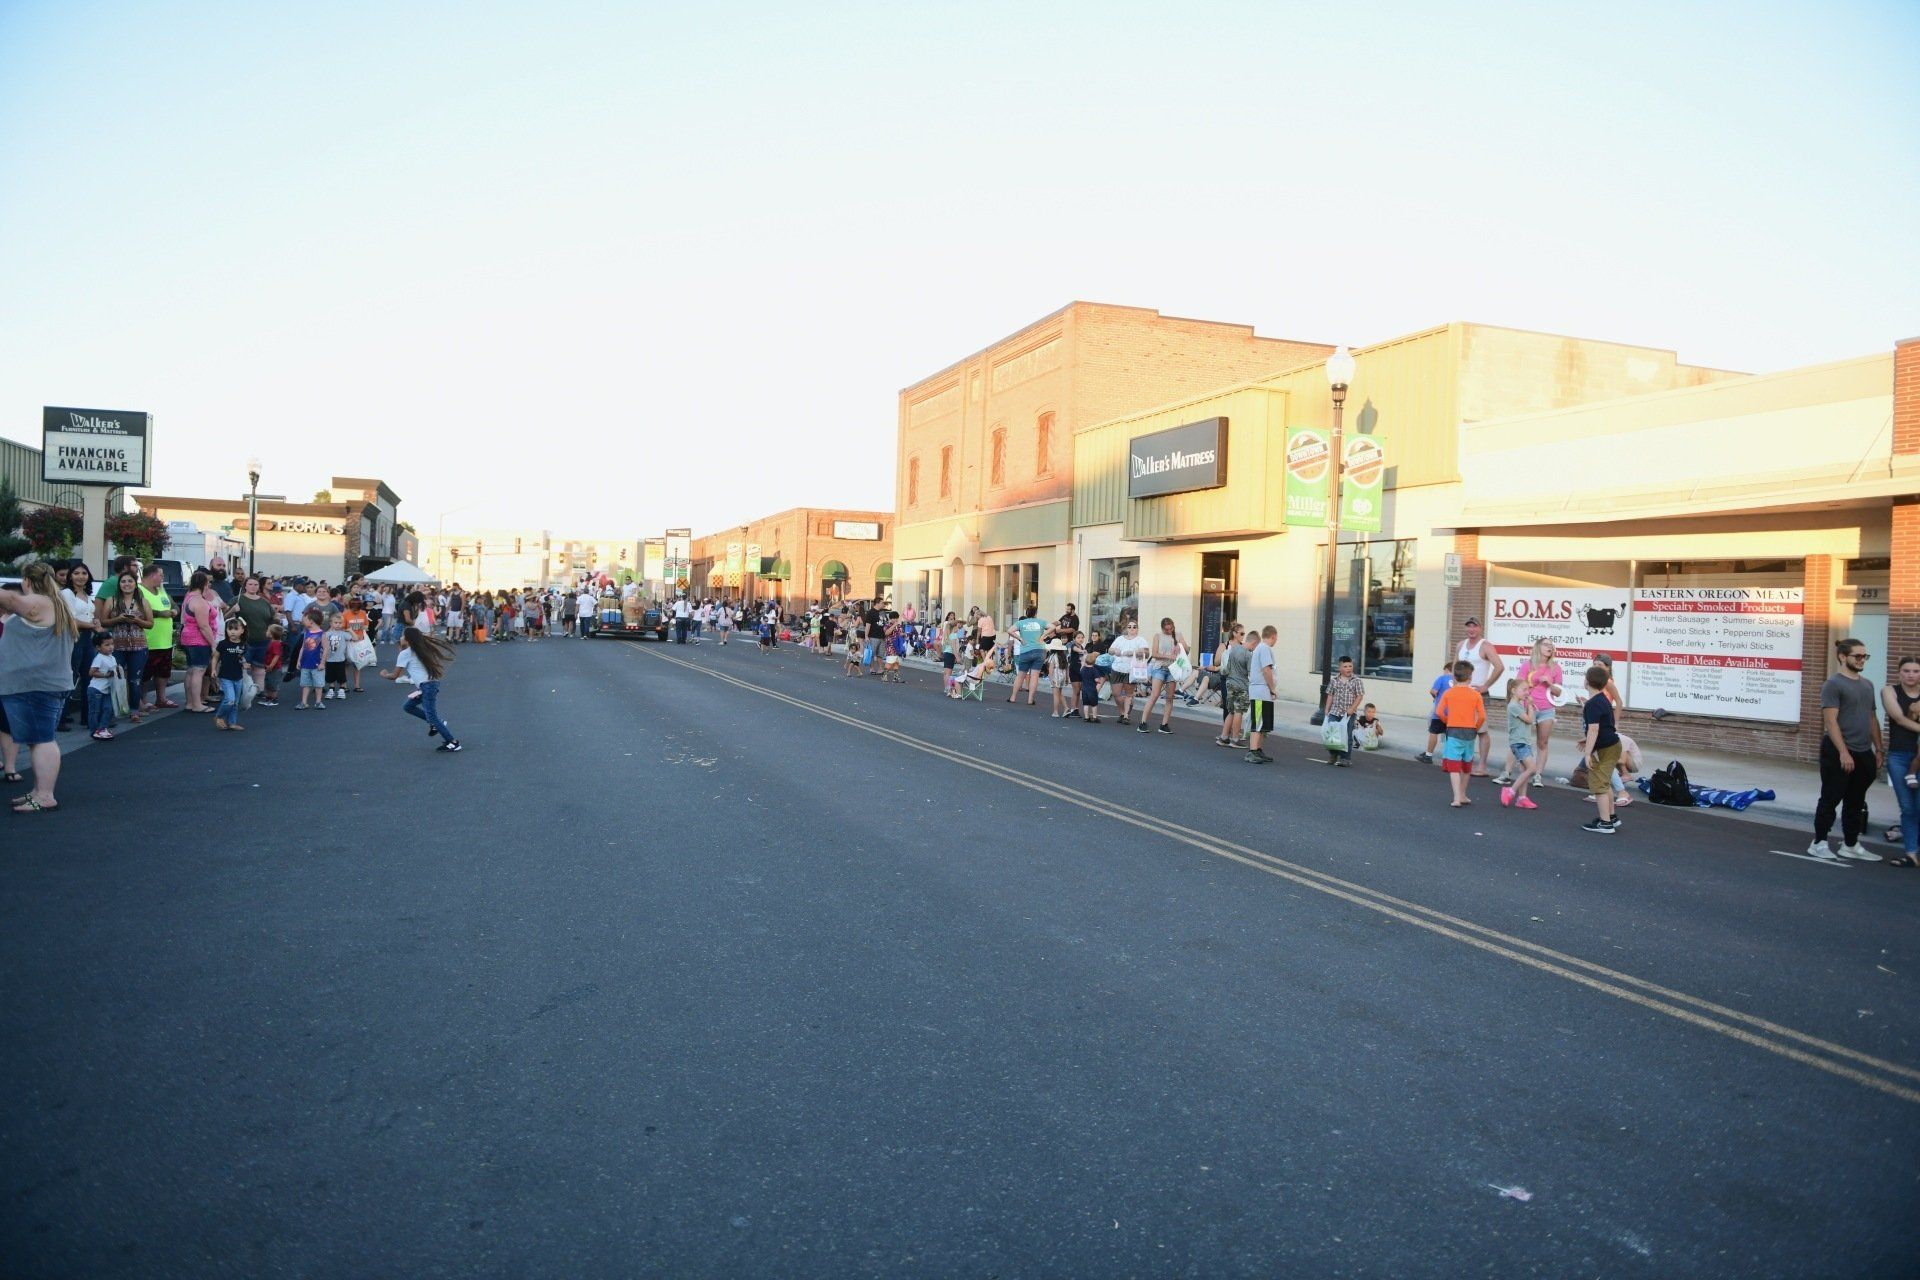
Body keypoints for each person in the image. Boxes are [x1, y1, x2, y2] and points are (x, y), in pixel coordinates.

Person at [0, 562, 80, 812]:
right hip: (41, 684)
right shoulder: (54, 603)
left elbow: (11, 600)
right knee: (38, 739)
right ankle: (39, 790)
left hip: (36, 686)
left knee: (43, 740)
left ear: (27, 580)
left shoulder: (41, 603)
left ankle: (45, 795)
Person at [1808, 637, 1883, 861]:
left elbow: (1872, 718)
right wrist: (1843, 752)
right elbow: (1831, 722)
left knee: (1856, 800)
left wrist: (1878, 749)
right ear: (1843, 656)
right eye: (1857, 656)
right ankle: (1819, 842)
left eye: (1864, 656)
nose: (1862, 660)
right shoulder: (1833, 684)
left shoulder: (1867, 684)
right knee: (1831, 798)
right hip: (1838, 751)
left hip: (1863, 752)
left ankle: (1850, 844)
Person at [381, 626, 461, 752]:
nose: (400, 638)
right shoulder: (421, 649)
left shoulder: (406, 653)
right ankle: (436, 722)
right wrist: (402, 648)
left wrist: (384, 675)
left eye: (402, 636)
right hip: (430, 684)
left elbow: (395, 675)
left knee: (432, 716)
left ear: (408, 639)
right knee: (408, 707)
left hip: (427, 687)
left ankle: (453, 742)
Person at [1880, 656, 1920, 868]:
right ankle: (1911, 853)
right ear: (1899, 672)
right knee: (1907, 807)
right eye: (1906, 670)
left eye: (1915, 671)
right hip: (1898, 755)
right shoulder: (1889, 691)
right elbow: (1899, 719)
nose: (1911, 675)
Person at [100, 567, 153, 723]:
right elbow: (104, 621)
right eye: (123, 581)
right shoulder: (112, 600)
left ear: (135, 584)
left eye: (130, 581)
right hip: (117, 645)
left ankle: (134, 711)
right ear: (119, 584)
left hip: (138, 645)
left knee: (134, 680)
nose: (126, 584)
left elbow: (150, 624)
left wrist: (136, 621)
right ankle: (110, 711)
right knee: (114, 677)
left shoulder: (143, 602)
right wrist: (118, 619)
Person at [1455, 616, 1505, 776]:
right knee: (1461, 728)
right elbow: (1455, 667)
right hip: (1461, 693)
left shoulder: (1485, 646)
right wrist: (1454, 687)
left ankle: (1482, 766)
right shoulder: (1460, 645)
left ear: (1480, 628)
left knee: (1481, 730)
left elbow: (1499, 666)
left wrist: (1486, 686)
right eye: (1468, 626)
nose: (1471, 629)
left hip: (1478, 695)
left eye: (1474, 626)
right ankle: (1462, 762)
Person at [1577, 663, 1623, 834]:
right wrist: (1586, 738)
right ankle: (1611, 817)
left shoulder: (1592, 704)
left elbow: (1595, 729)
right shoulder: (1602, 699)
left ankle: (1605, 824)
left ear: (1587, 681)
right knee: (1606, 782)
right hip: (1612, 744)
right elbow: (1604, 726)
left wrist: (1588, 753)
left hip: (1605, 748)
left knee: (1599, 785)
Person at [1434, 660, 1486, 807]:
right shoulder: (1476, 695)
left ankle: (1456, 798)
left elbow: (1439, 712)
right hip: (1470, 731)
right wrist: (1476, 727)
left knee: (1454, 765)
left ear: (1454, 678)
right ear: (1470, 678)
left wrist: (1447, 720)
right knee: (1466, 764)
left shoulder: (1449, 693)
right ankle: (1463, 794)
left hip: (1453, 730)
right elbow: (1482, 716)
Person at [57, 562, 101, 733]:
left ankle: (87, 716)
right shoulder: (67, 593)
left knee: (88, 677)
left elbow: (89, 616)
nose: (81, 576)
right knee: (71, 677)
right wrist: (92, 626)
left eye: (84, 573)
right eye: (76, 573)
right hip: (73, 638)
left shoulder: (87, 594)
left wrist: (95, 623)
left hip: (87, 639)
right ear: (70, 576)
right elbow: (70, 620)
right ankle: (61, 718)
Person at [1514, 638, 1564, 783]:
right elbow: (1518, 687)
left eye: (1551, 645)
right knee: (1523, 740)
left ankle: (1538, 775)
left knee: (1543, 742)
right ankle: (1523, 770)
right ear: (1538, 647)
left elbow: (1558, 692)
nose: (1550, 647)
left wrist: (1549, 683)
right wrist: (1526, 698)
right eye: (1546, 644)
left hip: (1547, 709)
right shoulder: (1527, 665)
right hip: (1528, 707)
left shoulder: (1555, 668)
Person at [178, 570, 222, 715]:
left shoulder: (188, 597)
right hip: (198, 640)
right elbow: (203, 626)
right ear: (203, 583)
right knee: (198, 671)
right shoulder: (199, 601)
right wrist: (213, 644)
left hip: (188, 638)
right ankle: (197, 704)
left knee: (191, 670)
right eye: (208, 582)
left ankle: (190, 702)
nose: (209, 585)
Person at [136, 563, 177, 713]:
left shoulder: (161, 590)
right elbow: (139, 608)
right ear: (152, 575)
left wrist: (174, 610)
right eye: (161, 575)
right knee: (146, 673)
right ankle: (143, 700)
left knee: (163, 672)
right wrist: (160, 613)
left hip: (164, 640)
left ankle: (161, 698)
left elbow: (174, 605)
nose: (163, 578)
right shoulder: (139, 590)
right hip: (149, 640)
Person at [1136, 617, 1187, 735]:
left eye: (1170, 629)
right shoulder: (1158, 636)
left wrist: (1182, 646)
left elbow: (1187, 649)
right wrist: (1169, 656)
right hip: (1159, 668)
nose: (1169, 631)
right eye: (1166, 630)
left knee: (1170, 697)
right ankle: (1143, 722)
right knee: (1154, 695)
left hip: (1173, 669)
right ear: (1162, 629)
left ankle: (1164, 724)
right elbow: (1154, 653)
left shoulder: (1178, 635)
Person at [1499, 678, 1538, 809]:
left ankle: (1522, 798)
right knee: (1532, 768)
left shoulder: (1519, 705)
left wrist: (1529, 706)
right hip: (1519, 742)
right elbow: (1529, 720)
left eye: (1528, 689)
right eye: (1524, 690)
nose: (1527, 692)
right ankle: (1510, 791)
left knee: (1524, 770)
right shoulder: (1514, 706)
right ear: (1514, 691)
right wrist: (1531, 706)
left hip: (1524, 741)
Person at [1321, 654, 1365, 765]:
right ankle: (1333, 755)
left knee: (1347, 735)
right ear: (1340, 668)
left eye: (1350, 666)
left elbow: (1359, 696)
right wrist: (1327, 709)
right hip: (1335, 711)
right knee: (1332, 734)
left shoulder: (1357, 681)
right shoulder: (1334, 681)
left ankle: (1345, 758)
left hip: (1349, 713)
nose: (1348, 668)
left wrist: (1352, 709)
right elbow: (1330, 695)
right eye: (1345, 666)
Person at [1245, 625, 1278, 765]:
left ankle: (1258, 749)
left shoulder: (1260, 648)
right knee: (1258, 721)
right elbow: (1266, 670)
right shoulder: (1264, 648)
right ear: (1273, 636)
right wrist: (1272, 688)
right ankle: (1252, 752)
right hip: (1261, 691)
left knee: (1263, 722)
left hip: (1262, 691)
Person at [1005, 606, 1049, 707]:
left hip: (1025, 651)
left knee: (1020, 675)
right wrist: (1043, 636)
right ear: (1035, 613)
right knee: (1034, 676)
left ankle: (1013, 697)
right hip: (1039, 650)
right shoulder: (1041, 622)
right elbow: (1053, 627)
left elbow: (1010, 631)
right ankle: (1030, 699)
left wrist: (1020, 638)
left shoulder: (1021, 623)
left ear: (1027, 613)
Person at [212, 616, 249, 731]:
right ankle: (218, 716)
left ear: (242, 630)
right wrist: (213, 669)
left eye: (236, 629)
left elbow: (242, 659)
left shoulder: (243, 645)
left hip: (238, 676)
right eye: (230, 629)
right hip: (226, 676)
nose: (232, 632)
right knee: (230, 699)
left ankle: (232, 723)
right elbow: (216, 657)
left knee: (235, 702)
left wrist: (245, 664)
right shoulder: (223, 644)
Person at [1217, 623, 1249, 748]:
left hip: (1237, 679)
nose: (1243, 636)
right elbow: (1217, 662)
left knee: (1232, 709)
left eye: (1244, 634)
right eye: (1241, 633)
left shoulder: (1243, 647)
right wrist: (1227, 655)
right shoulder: (1225, 646)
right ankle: (1233, 737)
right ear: (1234, 633)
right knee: (1232, 708)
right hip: (1229, 679)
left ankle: (1226, 736)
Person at [1416, 661, 1454, 764]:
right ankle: (1449, 758)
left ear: (1447, 669)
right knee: (1449, 735)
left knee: (1433, 732)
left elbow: (1433, 691)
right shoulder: (1457, 681)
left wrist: (1436, 698)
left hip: (1440, 711)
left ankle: (1428, 755)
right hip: (1452, 713)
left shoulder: (1441, 678)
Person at [85, 634, 118, 740]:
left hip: (107, 689)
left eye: (112, 644)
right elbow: (91, 672)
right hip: (96, 689)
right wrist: (106, 675)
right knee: (95, 711)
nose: (111, 647)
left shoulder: (112, 658)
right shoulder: (99, 658)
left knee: (108, 709)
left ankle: (102, 728)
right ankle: (95, 731)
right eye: (107, 645)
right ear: (98, 647)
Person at [295, 609, 327, 709]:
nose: (302, 621)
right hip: (305, 663)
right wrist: (299, 660)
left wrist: (322, 663)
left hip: (317, 664)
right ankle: (304, 702)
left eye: (305, 619)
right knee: (305, 684)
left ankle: (318, 702)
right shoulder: (306, 633)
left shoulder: (322, 634)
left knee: (318, 684)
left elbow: (326, 649)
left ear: (311, 621)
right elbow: (303, 647)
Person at [323, 612, 352, 700]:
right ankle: (331, 689)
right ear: (331, 623)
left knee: (341, 676)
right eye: (336, 623)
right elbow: (322, 640)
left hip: (340, 659)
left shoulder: (343, 634)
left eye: (340, 623)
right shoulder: (327, 634)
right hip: (329, 659)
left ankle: (341, 690)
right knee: (330, 676)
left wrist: (350, 630)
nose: (338, 625)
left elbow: (355, 638)